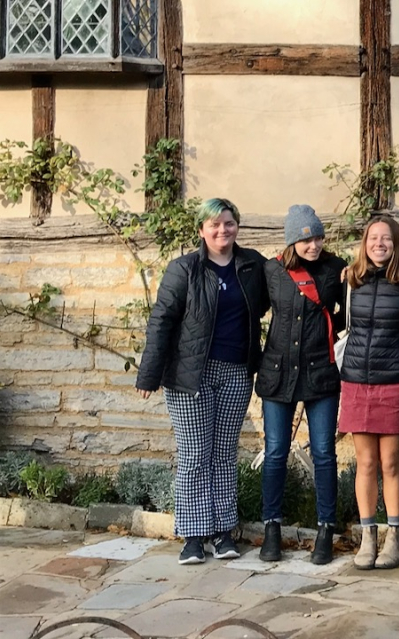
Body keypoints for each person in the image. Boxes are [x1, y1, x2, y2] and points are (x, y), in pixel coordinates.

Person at [135, 198, 268, 565]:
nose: (223, 230)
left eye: (229, 223)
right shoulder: (184, 269)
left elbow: (279, 289)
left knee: (224, 455)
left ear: (237, 226)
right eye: (215, 224)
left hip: (236, 372)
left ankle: (223, 532)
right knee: (195, 455)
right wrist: (149, 372)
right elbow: (162, 319)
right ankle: (194, 536)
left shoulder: (252, 265)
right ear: (201, 230)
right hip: (190, 375)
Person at [256, 205, 347, 565]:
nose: (314, 245)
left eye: (319, 238)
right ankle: (271, 528)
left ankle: (325, 528)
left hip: (320, 373)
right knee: (276, 452)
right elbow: (254, 311)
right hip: (278, 373)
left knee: (324, 452)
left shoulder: (336, 269)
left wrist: (330, 335)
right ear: (292, 240)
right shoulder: (272, 270)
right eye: (307, 239)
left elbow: (349, 312)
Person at [336, 216, 399, 570]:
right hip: (356, 380)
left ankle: (394, 537)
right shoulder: (351, 280)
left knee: (390, 463)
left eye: (386, 238)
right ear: (365, 243)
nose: (379, 244)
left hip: (393, 381)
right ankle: (368, 536)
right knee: (365, 463)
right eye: (373, 238)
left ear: (396, 243)